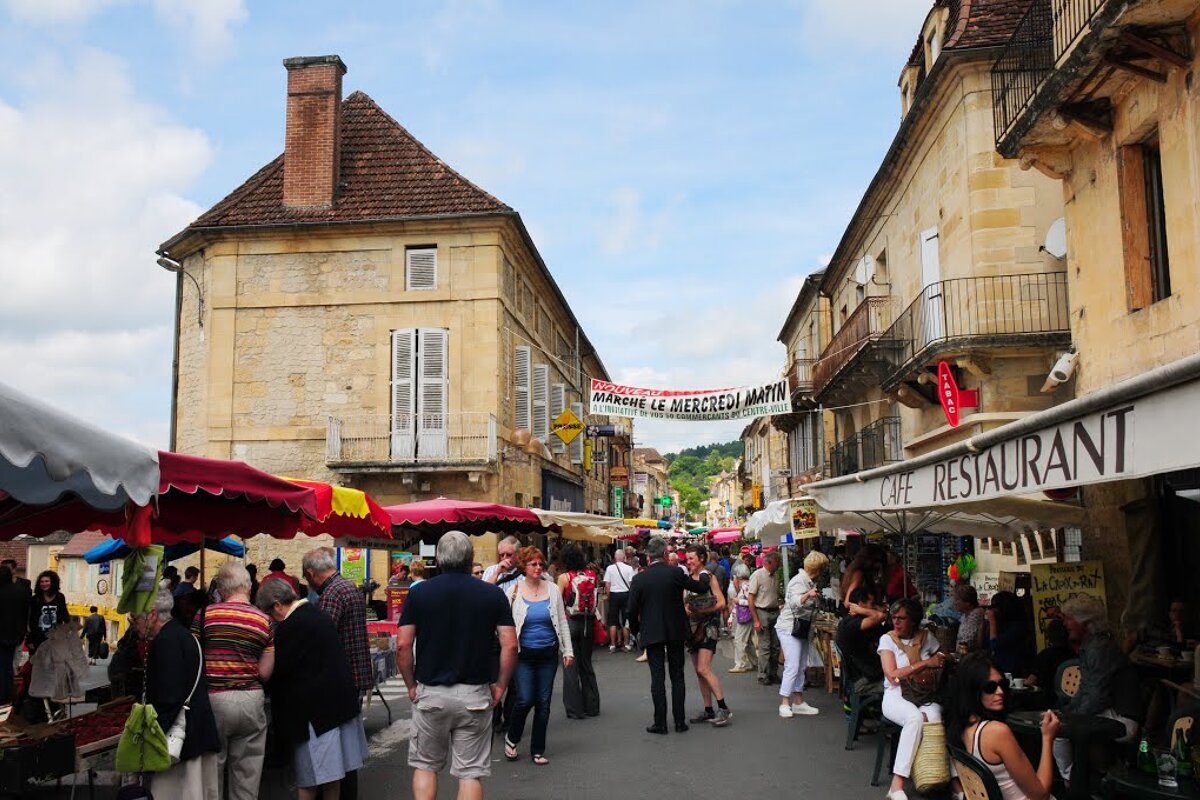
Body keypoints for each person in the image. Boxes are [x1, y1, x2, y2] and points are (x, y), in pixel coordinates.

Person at [398, 531, 517, 800]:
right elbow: (510, 644)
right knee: (469, 772)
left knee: (426, 766)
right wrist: (501, 685)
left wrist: (411, 685)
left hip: (431, 690)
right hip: (475, 692)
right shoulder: (492, 594)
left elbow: (403, 645)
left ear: (439, 558)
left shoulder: (419, 594)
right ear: (470, 557)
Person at [256, 578, 365, 800]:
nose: (270, 618)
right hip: (337, 707)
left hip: (314, 715)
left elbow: (280, 673)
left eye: (268, 612)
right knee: (332, 778)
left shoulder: (290, 627)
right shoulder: (318, 615)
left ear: (277, 605)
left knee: (309, 779)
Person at [193, 563, 274, 800]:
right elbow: (266, 672)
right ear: (248, 588)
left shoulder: (205, 615)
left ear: (220, 589)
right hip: (250, 699)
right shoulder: (264, 620)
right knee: (247, 772)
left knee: (212, 770)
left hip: (213, 700)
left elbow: (193, 657)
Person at [303, 547, 372, 800]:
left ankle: (340, 794)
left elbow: (321, 636)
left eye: (306, 578)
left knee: (336, 746)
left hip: (340, 677)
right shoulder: (346, 586)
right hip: (353, 674)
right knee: (347, 744)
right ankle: (347, 793)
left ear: (311, 573)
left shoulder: (331, 594)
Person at [626, 536, 712, 734]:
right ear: (665, 555)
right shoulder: (675, 573)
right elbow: (700, 587)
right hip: (675, 630)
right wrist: (704, 575)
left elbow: (631, 609)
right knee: (677, 676)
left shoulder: (639, 579)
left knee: (657, 677)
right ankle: (680, 722)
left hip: (652, 631)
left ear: (648, 557)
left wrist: (636, 630)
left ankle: (660, 723)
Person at [947, 653, 1061, 800]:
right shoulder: (996, 732)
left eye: (1002, 685)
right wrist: (1047, 737)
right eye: (990, 687)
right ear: (973, 690)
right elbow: (1040, 795)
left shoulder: (961, 728)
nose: (1000, 692)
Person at [879, 597, 960, 800]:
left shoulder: (927, 637)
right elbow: (893, 675)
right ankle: (897, 785)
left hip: (923, 693)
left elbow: (941, 655)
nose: (896, 622)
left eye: (902, 618)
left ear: (914, 621)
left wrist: (943, 659)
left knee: (935, 719)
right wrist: (925, 664)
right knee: (914, 718)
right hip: (896, 694)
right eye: (894, 617)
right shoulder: (887, 640)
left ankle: (952, 780)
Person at [1053, 595, 1140, 784]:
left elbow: (1097, 695)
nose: (1066, 624)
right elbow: (1086, 689)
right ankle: (1076, 781)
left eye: (1069, 619)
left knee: (1059, 731)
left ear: (1085, 622)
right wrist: (1067, 712)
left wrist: (1070, 718)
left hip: (1122, 719)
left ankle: (1075, 782)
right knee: (1059, 726)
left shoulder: (1099, 649)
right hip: (1110, 712)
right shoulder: (1093, 645)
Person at [145, 589, 220, 800]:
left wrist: (152, 736)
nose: (134, 625)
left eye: (135, 619)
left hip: (181, 739)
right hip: (196, 731)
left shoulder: (166, 641)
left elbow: (169, 696)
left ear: (152, 615)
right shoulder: (182, 634)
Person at [502, 547, 573, 765]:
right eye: (533, 564)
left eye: (540, 564)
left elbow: (561, 621)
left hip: (548, 653)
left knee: (543, 702)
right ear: (524, 566)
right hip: (523, 655)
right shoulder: (513, 591)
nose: (538, 567)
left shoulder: (552, 589)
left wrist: (568, 650)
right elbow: (504, 626)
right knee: (524, 699)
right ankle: (512, 737)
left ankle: (537, 750)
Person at [777, 550, 829, 718]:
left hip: (801, 629)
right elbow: (794, 602)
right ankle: (785, 702)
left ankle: (798, 701)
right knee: (792, 665)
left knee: (800, 665)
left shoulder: (808, 582)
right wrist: (808, 595)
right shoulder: (799, 582)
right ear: (818, 569)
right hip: (790, 627)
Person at [684, 545, 731, 726]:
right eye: (687, 559)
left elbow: (721, 603)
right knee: (698, 672)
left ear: (702, 559)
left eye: (691, 558)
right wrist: (688, 610)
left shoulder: (709, 578)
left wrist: (704, 609)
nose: (688, 562)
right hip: (692, 628)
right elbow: (685, 605)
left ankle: (723, 708)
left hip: (708, 626)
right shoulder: (688, 580)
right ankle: (708, 710)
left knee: (703, 668)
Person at [557, 543, 600, 719]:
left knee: (570, 667)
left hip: (570, 623)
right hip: (587, 624)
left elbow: (558, 603)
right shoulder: (592, 575)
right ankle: (592, 705)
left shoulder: (564, 577)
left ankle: (575, 709)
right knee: (586, 664)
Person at [747, 550, 783, 685]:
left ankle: (772, 673)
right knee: (765, 645)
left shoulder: (775, 575)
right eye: (777, 563)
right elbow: (751, 598)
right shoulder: (757, 575)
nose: (778, 565)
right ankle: (763, 674)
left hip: (774, 611)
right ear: (769, 563)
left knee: (775, 646)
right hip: (762, 611)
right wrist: (756, 619)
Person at [1026, 618, 1074, 707]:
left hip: (1048, 702)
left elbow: (1030, 682)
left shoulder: (1045, 656)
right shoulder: (1075, 654)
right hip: (1072, 701)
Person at [986, 591, 1034, 677]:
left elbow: (995, 645)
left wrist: (992, 621)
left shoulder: (1017, 627)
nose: (991, 610)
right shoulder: (1001, 625)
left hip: (1011, 671)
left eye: (994, 606)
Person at [0, 565, 29, 703]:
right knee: (8, 667)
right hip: (14, 636)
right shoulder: (20, 592)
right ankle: (7, 696)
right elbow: (24, 614)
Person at [602, 549, 635, 653]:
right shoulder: (629, 568)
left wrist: (608, 596)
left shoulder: (610, 568)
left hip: (614, 594)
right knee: (626, 620)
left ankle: (612, 644)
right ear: (624, 557)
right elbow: (632, 584)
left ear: (615, 558)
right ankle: (626, 644)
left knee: (613, 621)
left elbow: (607, 584)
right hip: (626, 594)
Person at [27, 570, 68, 653]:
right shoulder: (35, 599)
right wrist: (30, 640)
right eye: (41, 582)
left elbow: (65, 615)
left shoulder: (60, 597)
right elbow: (31, 620)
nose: (44, 584)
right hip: (38, 638)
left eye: (47, 581)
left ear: (53, 582)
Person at [727, 562, 757, 674]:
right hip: (747, 615)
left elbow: (751, 602)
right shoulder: (747, 584)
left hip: (746, 616)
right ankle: (754, 662)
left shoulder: (745, 586)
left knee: (739, 639)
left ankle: (740, 664)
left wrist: (739, 601)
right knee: (748, 641)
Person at [954, 584, 985, 653]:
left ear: (968, 602)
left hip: (971, 659)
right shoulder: (965, 615)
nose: (955, 603)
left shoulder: (976, 615)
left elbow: (968, 641)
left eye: (958, 600)